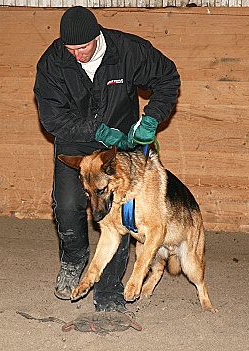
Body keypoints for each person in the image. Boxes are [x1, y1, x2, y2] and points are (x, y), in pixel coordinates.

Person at [33, 6, 180, 313]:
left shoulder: (126, 51)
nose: (76, 55)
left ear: (96, 36)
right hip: (76, 142)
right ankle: (73, 259)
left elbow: (167, 77)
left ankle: (110, 289)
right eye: (69, 49)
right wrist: (98, 130)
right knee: (68, 204)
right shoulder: (52, 63)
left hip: (120, 149)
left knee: (120, 213)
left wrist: (151, 118)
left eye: (82, 47)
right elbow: (51, 116)